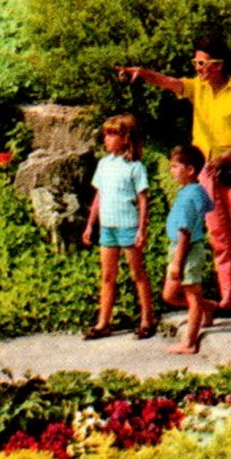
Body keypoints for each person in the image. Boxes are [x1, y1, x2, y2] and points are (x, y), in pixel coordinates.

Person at [115, 36, 231, 312]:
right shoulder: (199, 89)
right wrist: (142, 73)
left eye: (201, 63)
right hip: (205, 170)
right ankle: (229, 299)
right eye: (195, 62)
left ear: (217, 65)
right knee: (218, 235)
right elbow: (171, 83)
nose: (197, 68)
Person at [80, 114, 157, 341]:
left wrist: (141, 229)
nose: (107, 139)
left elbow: (143, 199)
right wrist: (90, 225)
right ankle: (103, 322)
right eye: (106, 134)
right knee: (107, 275)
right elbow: (99, 196)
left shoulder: (135, 166)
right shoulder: (104, 164)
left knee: (137, 273)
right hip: (107, 227)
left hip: (128, 226)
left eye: (113, 134)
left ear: (126, 138)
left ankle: (147, 319)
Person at [163, 144, 219, 354]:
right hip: (178, 248)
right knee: (169, 295)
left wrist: (177, 262)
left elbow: (185, 232)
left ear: (190, 170)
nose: (171, 171)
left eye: (175, 167)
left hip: (186, 250)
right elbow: (207, 206)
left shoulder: (188, 196)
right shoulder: (194, 190)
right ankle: (208, 307)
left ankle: (189, 343)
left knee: (192, 296)